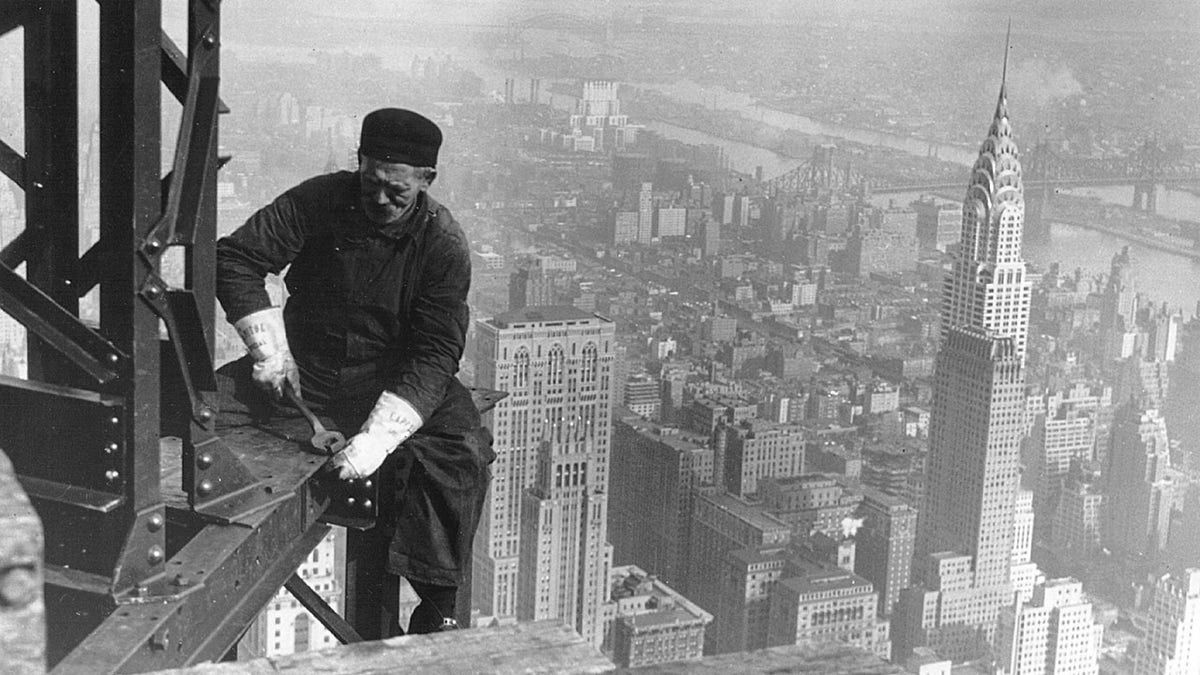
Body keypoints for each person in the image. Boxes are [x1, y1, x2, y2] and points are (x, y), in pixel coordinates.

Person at [215, 108, 491, 637]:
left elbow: (435, 352)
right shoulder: (318, 200)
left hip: (391, 380)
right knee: (203, 406)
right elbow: (237, 258)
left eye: (397, 191)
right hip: (306, 369)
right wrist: (269, 351)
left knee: (461, 450)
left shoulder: (443, 244)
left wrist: (379, 439)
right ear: (359, 163)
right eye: (371, 182)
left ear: (426, 182)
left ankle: (437, 603)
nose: (380, 200)